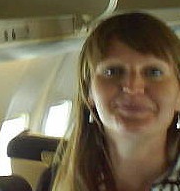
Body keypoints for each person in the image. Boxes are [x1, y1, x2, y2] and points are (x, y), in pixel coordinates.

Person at [38, 12, 180, 191]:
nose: (132, 87)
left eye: (154, 72)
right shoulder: (54, 181)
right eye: (113, 71)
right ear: (89, 92)